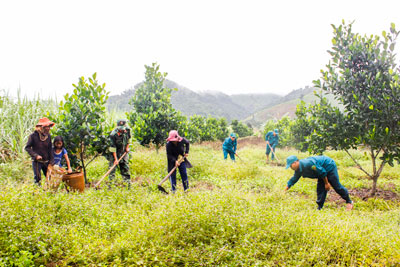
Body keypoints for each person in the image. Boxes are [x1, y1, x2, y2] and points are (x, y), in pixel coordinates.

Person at [284, 155, 353, 210]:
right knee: (320, 189)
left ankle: (349, 201)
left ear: (295, 162)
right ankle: (320, 207)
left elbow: (322, 171)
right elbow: (294, 179)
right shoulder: (298, 169)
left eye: (290, 165)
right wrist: (285, 190)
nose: (290, 167)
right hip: (321, 172)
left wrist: (326, 183)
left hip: (329, 166)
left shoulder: (309, 164)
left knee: (336, 186)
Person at [25, 117, 55, 185]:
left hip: (46, 161)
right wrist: (36, 155)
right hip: (37, 162)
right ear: (41, 127)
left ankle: (49, 192)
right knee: (37, 179)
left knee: (49, 178)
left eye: (49, 127)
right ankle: (37, 193)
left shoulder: (48, 136)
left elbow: (50, 149)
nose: (48, 128)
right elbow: (27, 148)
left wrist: (51, 161)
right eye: (46, 127)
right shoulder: (33, 136)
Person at [107, 119, 131, 186]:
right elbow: (113, 148)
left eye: (123, 129)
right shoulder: (113, 135)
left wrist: (127, 148)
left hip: (123, 152)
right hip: (114, 153)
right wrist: (115, 159)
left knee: (125, 168)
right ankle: (110, 186)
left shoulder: (127, 130)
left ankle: (128, 185)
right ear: (117, 127)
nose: (122, 130)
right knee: (112, 170)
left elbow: (128, 139)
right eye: (120, 129)